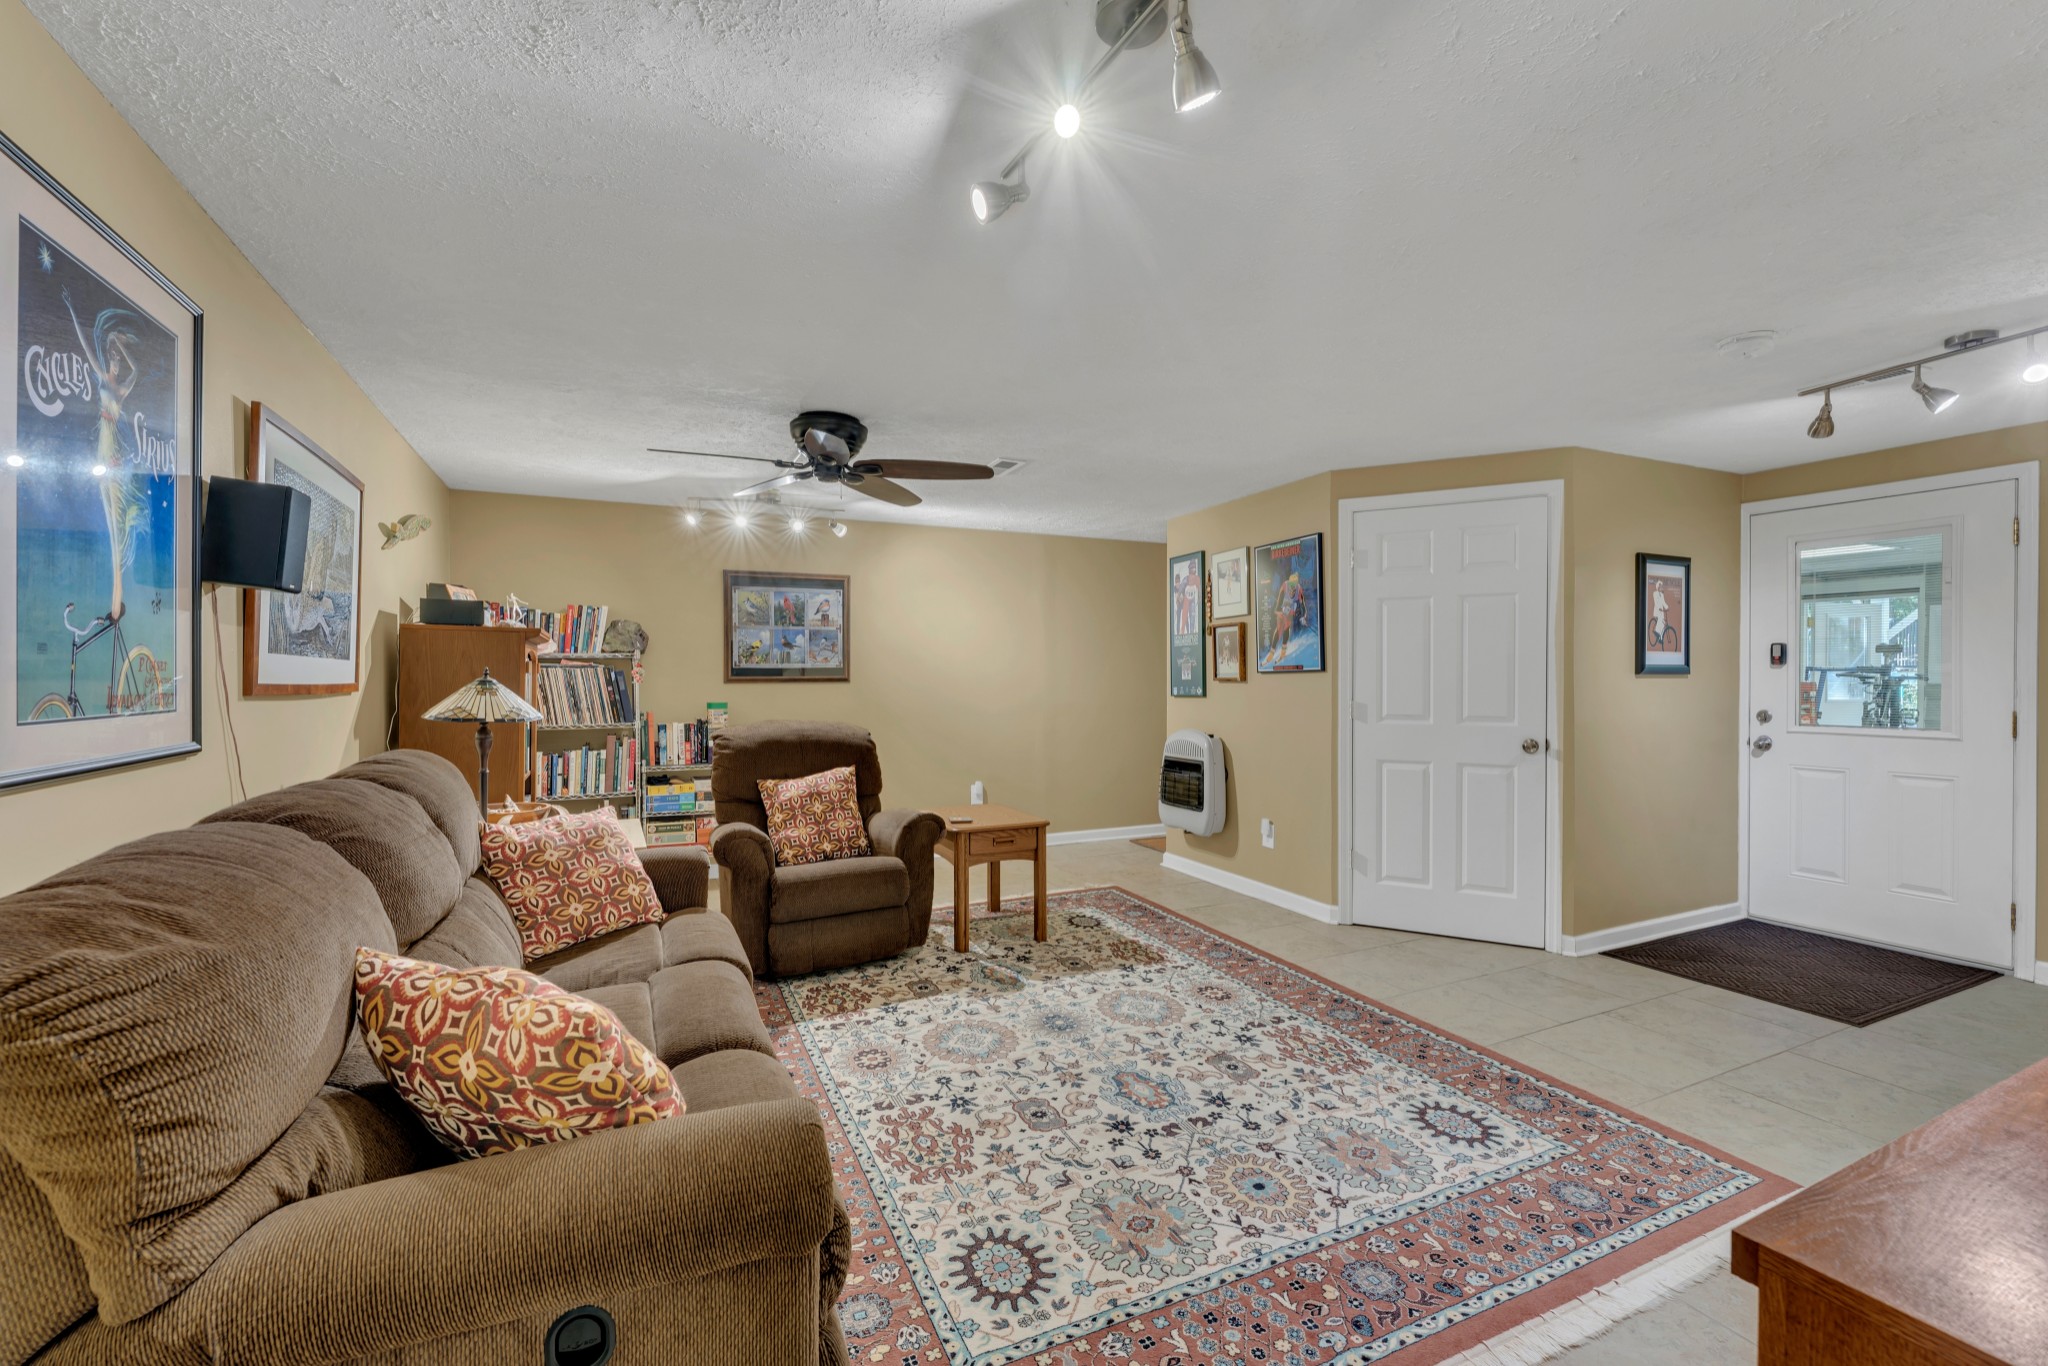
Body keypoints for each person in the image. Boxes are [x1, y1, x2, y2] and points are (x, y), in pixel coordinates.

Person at [65, 291, 144, 625]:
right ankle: (115, 603)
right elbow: (84, 345)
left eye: (116, 358)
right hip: (101, 453)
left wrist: (120, 345)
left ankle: (116, 604)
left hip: (110, 457)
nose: (113, 361)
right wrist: (71, 308)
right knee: (110, 526)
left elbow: (137, 369)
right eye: (112, 356)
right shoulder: (103, 378)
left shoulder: (122, 388)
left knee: (116, 530)